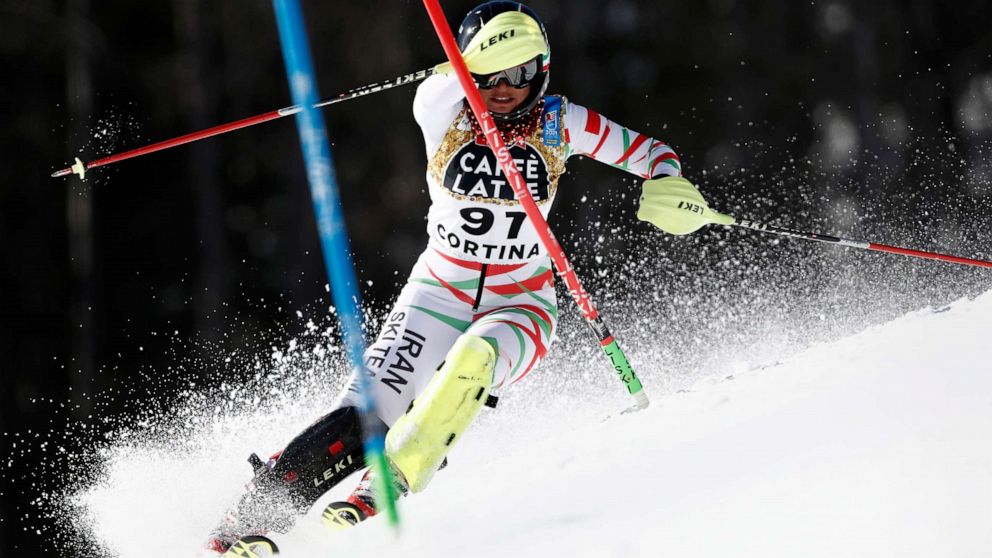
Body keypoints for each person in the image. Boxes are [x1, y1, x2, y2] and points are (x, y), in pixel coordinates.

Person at [206, 1, 729, 553]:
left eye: (521, 73)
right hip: (436, 291)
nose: (504, 87)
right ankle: (241, 526)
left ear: (542, 71)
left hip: (521, 304)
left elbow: (652, 153)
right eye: (490, 74)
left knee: (474, 358)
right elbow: (447, 81)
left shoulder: (562, 121)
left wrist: (666, 184)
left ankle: (384, 484)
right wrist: (466, 68)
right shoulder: (440, 106)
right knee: (361, 417)